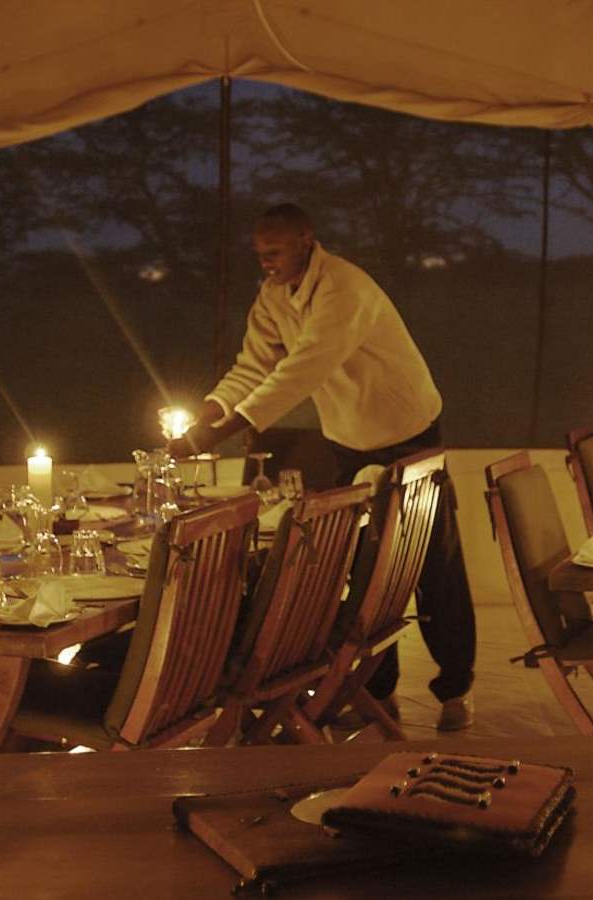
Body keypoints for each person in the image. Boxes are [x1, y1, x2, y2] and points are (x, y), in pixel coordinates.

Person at [172, 203, 476, 730]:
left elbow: (302, 368)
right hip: (349, 441)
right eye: (259, 255)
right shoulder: (272, 296)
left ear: (307, 241)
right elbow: (254, 364)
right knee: (362, 564)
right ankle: (377, 689)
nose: (265, 263)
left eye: (274, 253)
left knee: (431, 564)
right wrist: (211, 408)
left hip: (409, 432)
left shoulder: (345, 289)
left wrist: (220, 432)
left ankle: (455, 690)